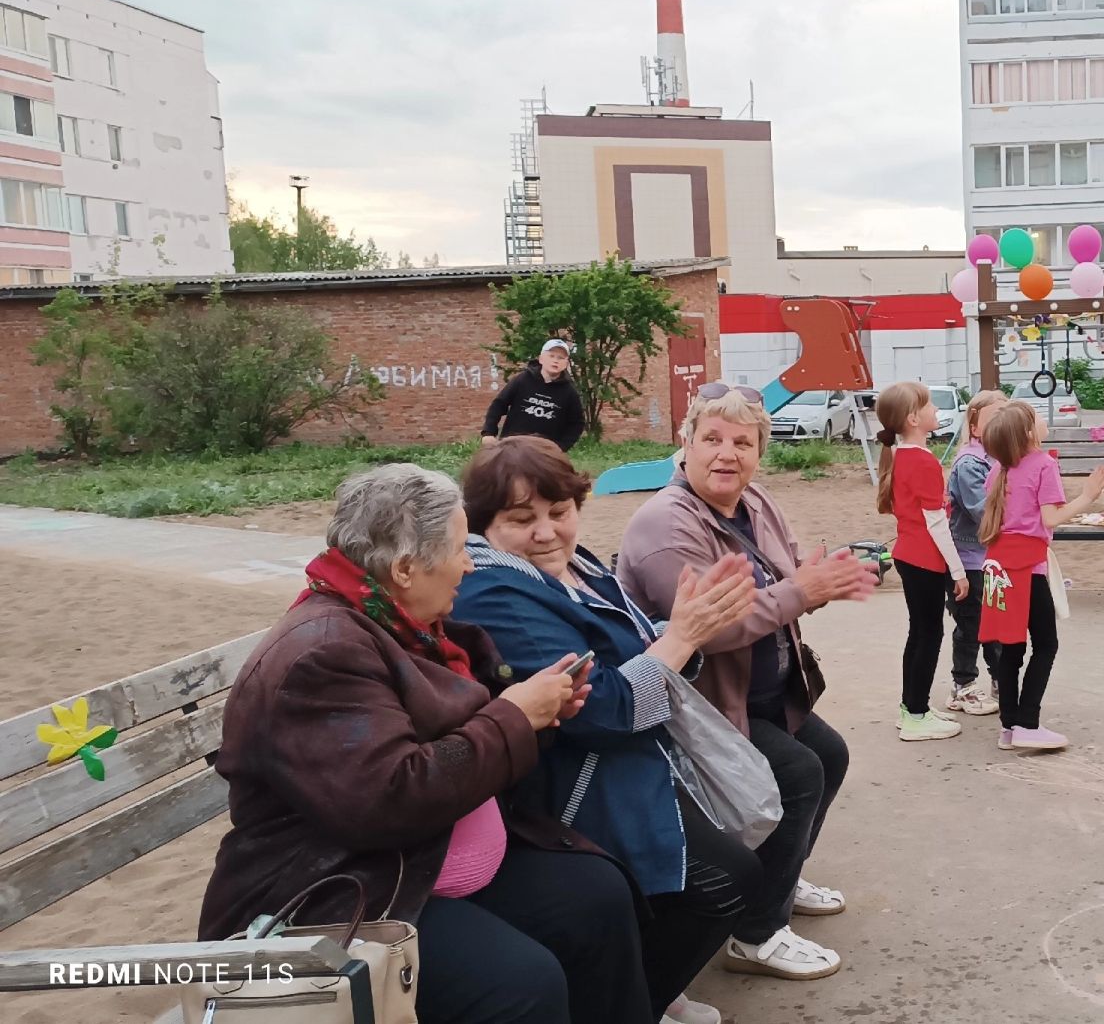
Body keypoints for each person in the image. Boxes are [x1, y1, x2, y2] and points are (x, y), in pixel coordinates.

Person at [199, 464, 651, 1024]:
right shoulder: (322, 655)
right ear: (407, 568)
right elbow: (391, 800)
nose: (469, 563)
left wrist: (540, 713)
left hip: (415, 859)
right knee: (520, 984)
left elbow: (447, 732)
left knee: (596, 896)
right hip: (333, 888)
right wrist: (514, 716)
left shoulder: (396, 621)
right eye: (461, 549)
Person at [450, 436, 761, 1024]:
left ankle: (648, 989)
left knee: (758, 829)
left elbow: (635, 646)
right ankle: (627, 1002)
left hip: (627, 762)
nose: (546, 532)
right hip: (569, 789)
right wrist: (682, 638)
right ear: (483, 523)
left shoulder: (575, 564)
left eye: (559, 512)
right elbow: (597, 709)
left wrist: (684, 629)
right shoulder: (494, 591)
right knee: (724, 882)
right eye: (522, 519)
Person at [618, 383, 877, 980]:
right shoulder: (664, 522)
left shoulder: (754, 501)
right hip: (700, 707)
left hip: (759, 692)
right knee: (797, 770)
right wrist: (799, 592)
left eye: (743, 442)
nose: (727, 454)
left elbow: (786, 575)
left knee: (828, 754)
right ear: (684, 446)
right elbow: (709, 626)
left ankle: (777, 885)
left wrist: (815, 583)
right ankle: (756, 934)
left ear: (760, 451)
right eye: (712, 439)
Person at [977, 399, 1104, 752]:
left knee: (1010, 648)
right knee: (1046, 644)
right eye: (1037, 417)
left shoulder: (1000, 469)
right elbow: (1051, 519)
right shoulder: (1043, 465)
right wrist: (1088, 497)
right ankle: (1027, 722)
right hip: (1026, 568)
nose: (1043, 420)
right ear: (1028, 432)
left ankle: (1009, 726)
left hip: (998, 566)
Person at [876, 380, 969, 741]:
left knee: (920, 633)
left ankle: (911, 708)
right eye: (929, 406)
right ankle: (916, 714)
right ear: (913, 418)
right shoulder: (922, 461)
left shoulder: (900, 455)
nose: (935, 411)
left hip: (909, 556)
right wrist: (958, 571)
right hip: (924, 560)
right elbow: (937, 523)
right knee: (929, 635)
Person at [946, 390, 1008, 714]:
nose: (1002, 421)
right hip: (969, 559)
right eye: (994, 416)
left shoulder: (1001, 459)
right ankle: (962, 686)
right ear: (973, 427)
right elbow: (983, 515)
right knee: (972, 625)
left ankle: (1001, 680)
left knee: (996, 624)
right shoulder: (970, 464)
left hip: (992, 559)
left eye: (1005, 415)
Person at [482, 338, 586, 451]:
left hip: (545, 453)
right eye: (551, 356)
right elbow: (499, 404)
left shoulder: (569, 391)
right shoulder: (522, 380)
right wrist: (488, 433)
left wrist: (561, 447)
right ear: (541, 359)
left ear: (566, 363)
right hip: (512, 448)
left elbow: (577, 424)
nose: (555, 361)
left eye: (561, 358)